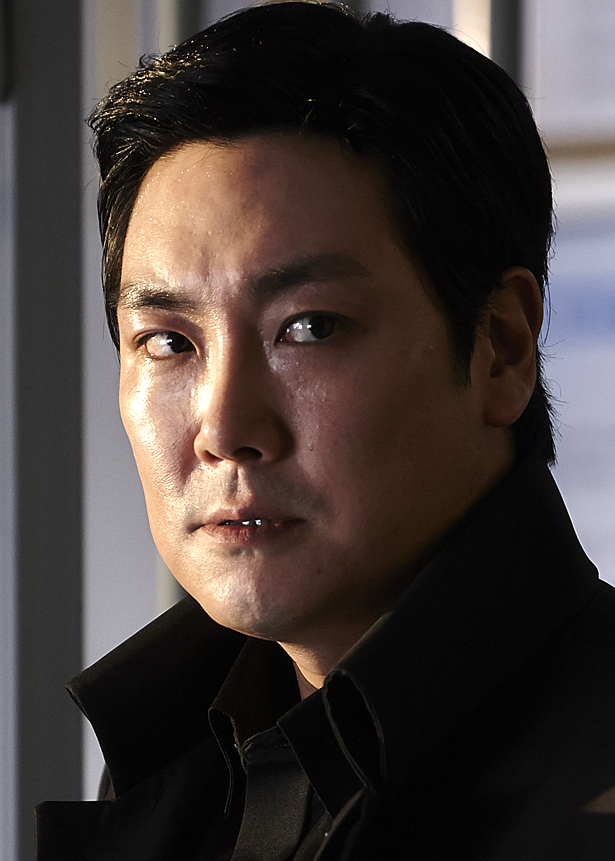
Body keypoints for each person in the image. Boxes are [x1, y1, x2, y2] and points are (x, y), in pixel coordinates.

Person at [35, 3, 615, 858]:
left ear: (500, 346)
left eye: (307, 328)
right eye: (169, 342)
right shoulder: (177, 759)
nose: (224, 427)